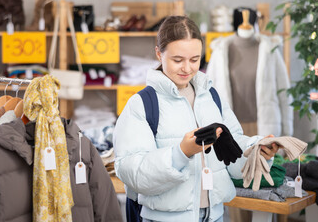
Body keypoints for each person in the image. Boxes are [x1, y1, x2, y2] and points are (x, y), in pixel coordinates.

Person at [113, 15, 279, 222]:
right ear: (158, 53)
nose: (187, 68)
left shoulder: (212, 96)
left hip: (216, 216)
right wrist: (181, 153)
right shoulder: (141, 104)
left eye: (194, 59)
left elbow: (234, 155)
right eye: (177, 60)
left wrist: (257, 150)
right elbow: (131, 172)